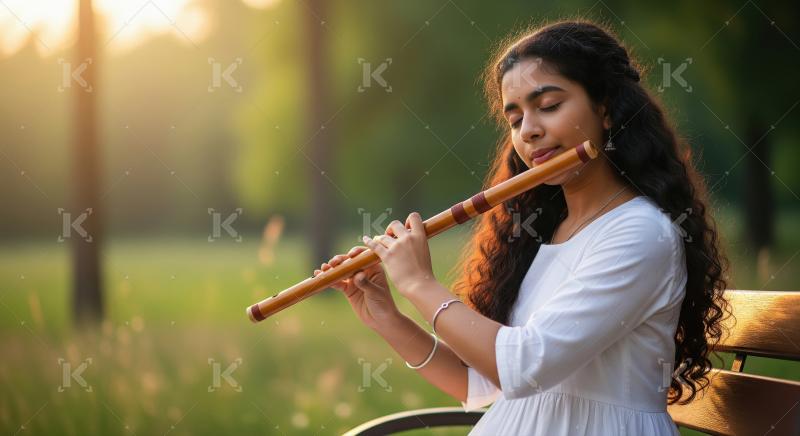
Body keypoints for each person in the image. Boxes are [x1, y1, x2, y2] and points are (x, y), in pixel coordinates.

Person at [314, 19, 730, 435]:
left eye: (548, 106)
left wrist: (420, 284)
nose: (529, 130)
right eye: (515, 119)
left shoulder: (640, 234)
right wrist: (387, 317)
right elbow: (479, 384)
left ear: (605, 108)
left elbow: (525, 367)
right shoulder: (545, 231)